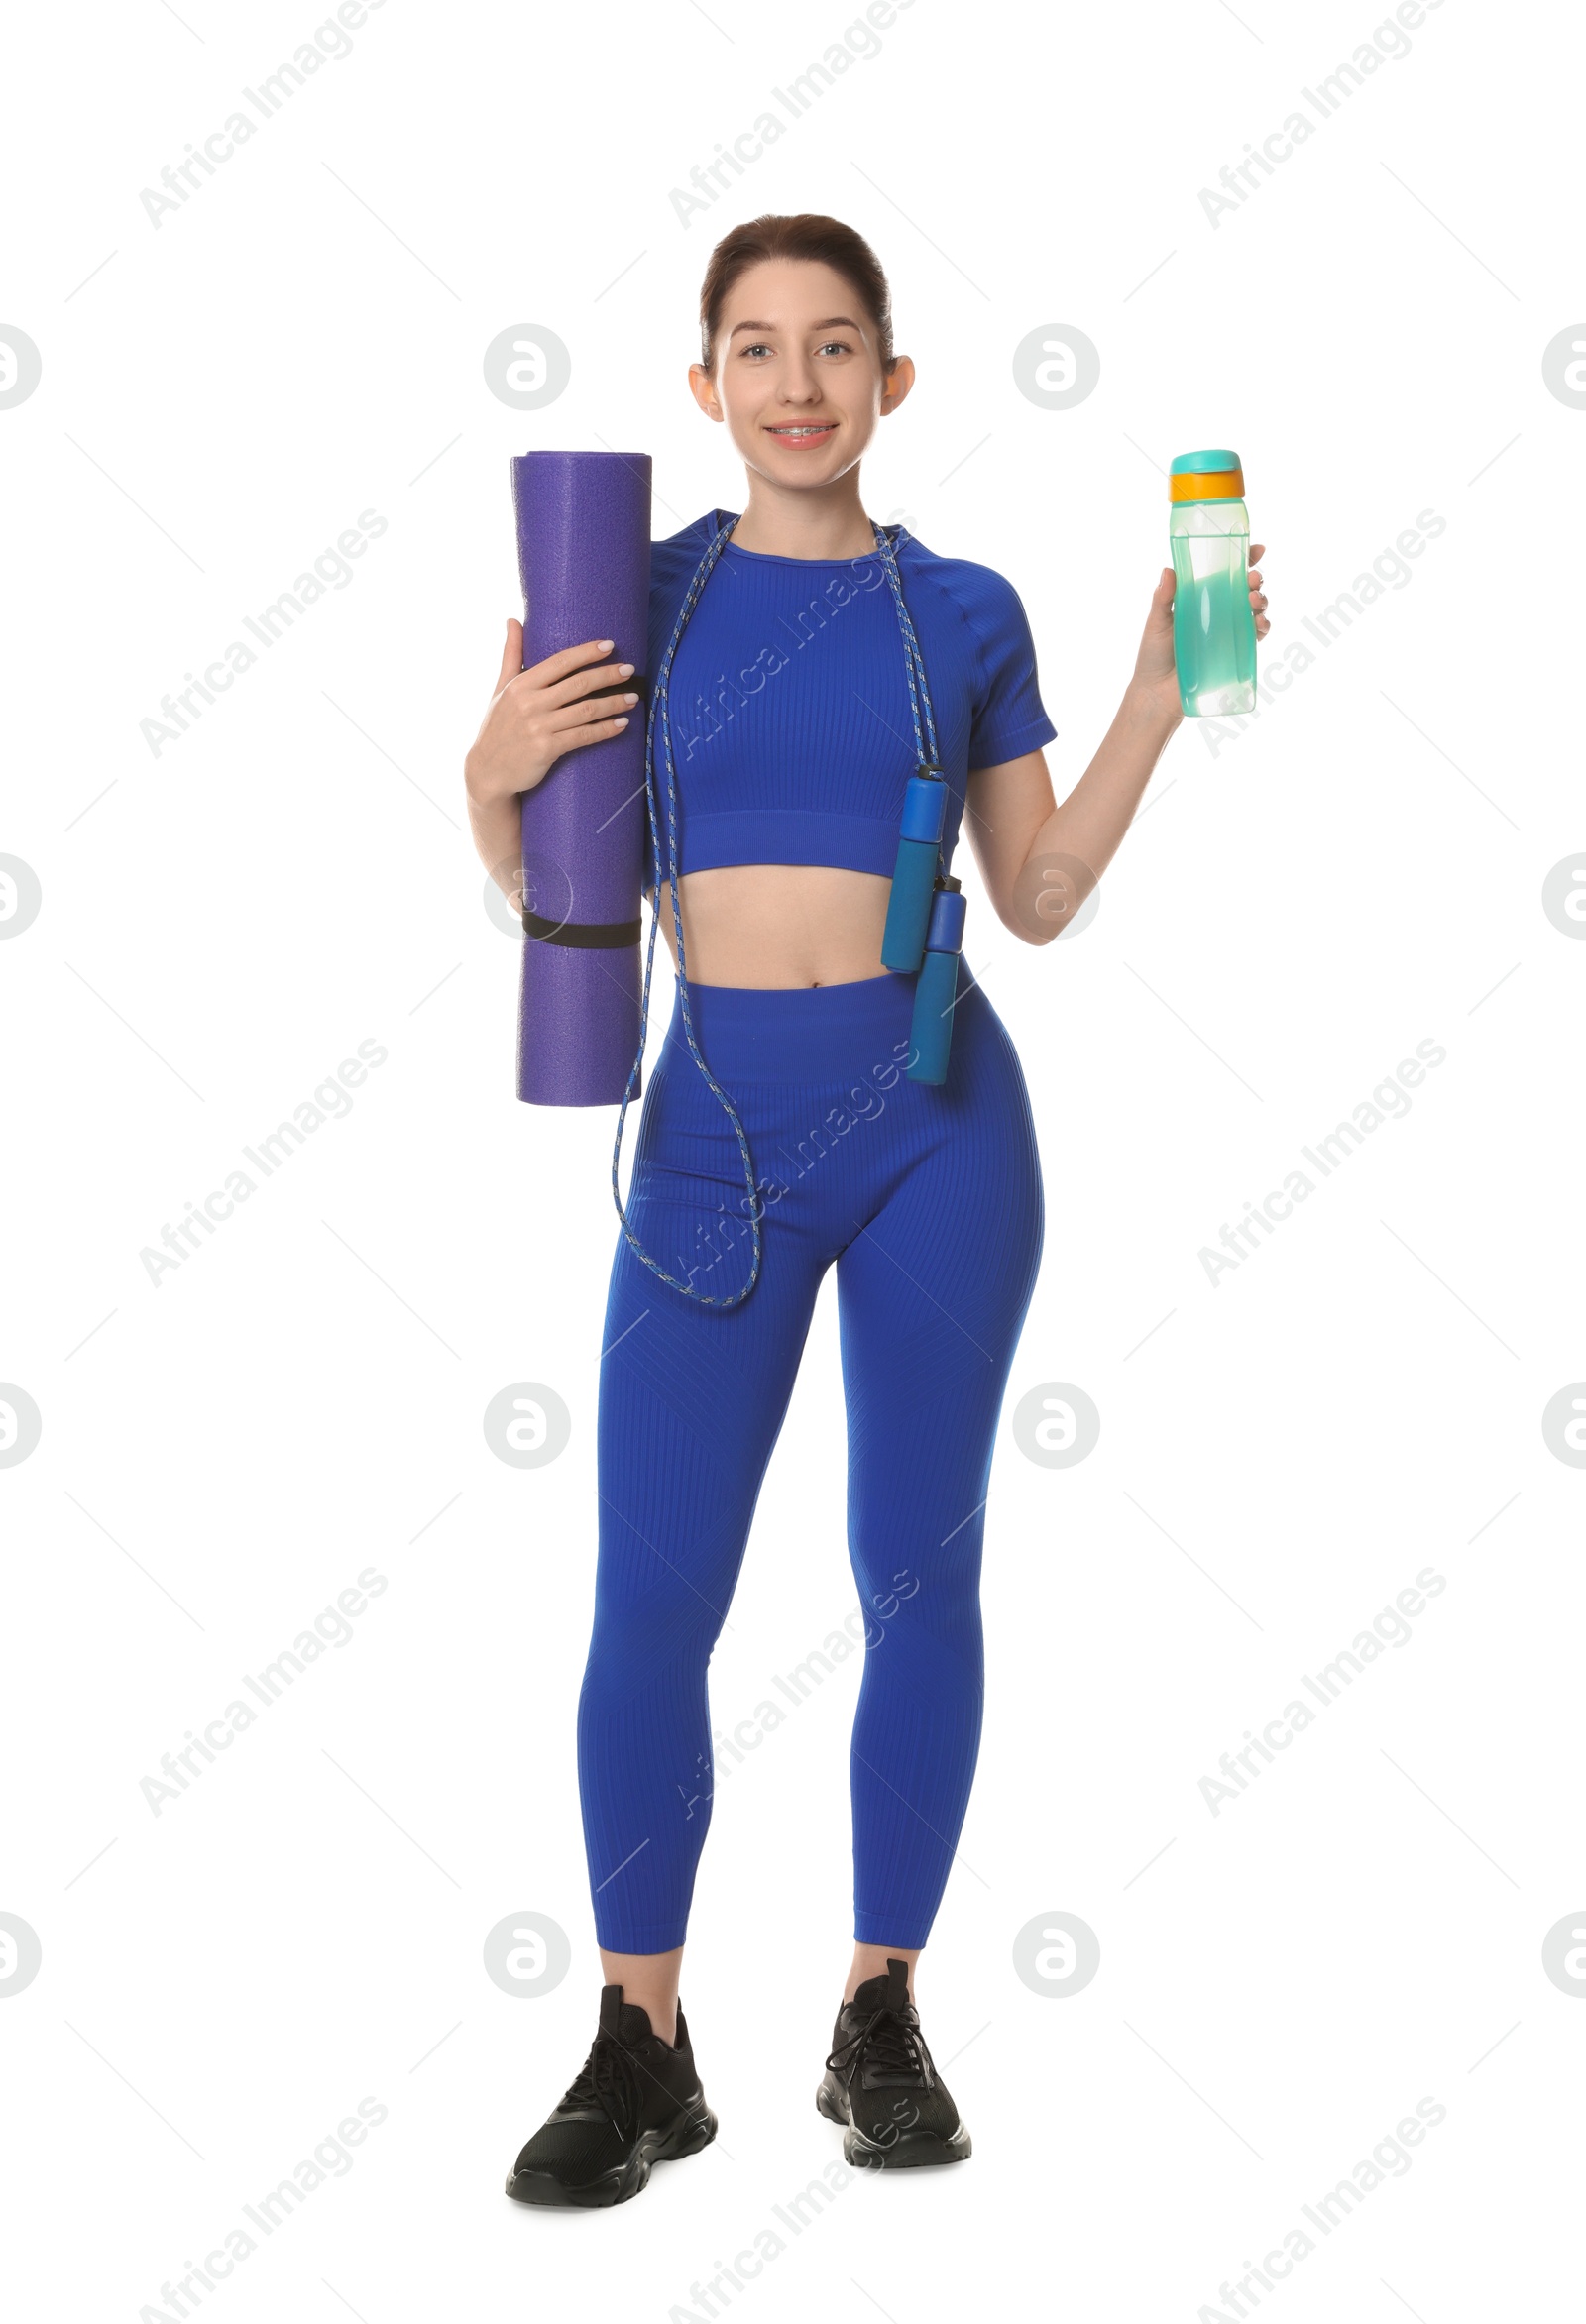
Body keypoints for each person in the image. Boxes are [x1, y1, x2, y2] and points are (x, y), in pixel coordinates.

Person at [463, 213, 1271, 2207]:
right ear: (704, 388)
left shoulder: (960, 612)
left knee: (917, 1575)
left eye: (837, 347)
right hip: (712, 1135)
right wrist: (487, 775)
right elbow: (546, 891)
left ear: (891, 383)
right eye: (756, 348)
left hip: (934, 1128)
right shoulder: (618, 596)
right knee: (651, 1596)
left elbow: (1040, 897)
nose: (798, 382)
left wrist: (1155, 692)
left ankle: (877, 2003)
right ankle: (637, 2041)